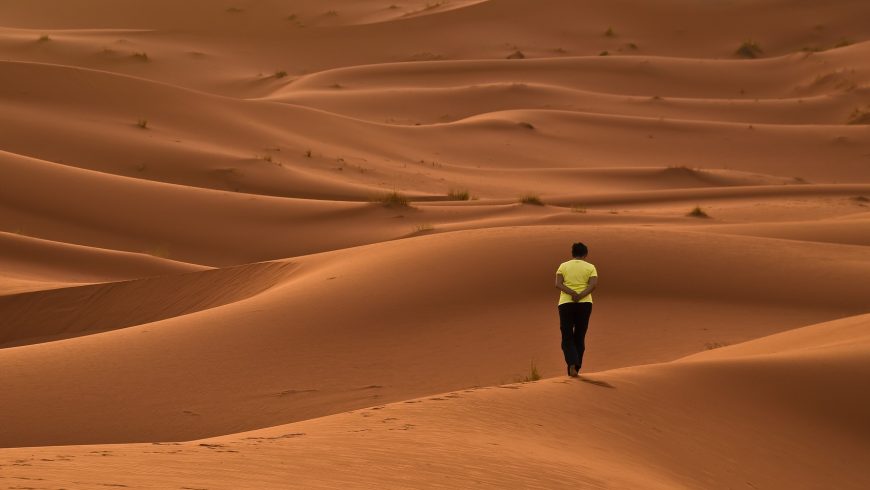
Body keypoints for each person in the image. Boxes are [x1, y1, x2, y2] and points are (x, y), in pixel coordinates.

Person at [555, 242, 598, 377]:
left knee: (567, 336)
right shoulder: (591, 267)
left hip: (566, 303)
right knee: (580, 335)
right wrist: (580, 295)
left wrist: (572, 293)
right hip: (585, 303)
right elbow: (593, 285)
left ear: (572, 253)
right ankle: (576, 367)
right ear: (585, 254)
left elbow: (558, 284)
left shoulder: (563, 266)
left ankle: (572, 364)